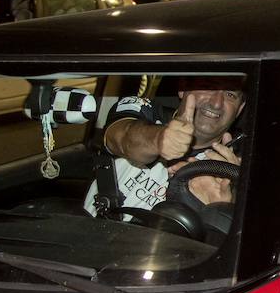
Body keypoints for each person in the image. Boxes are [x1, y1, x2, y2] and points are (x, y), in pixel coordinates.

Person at [83, 82, 245, 217]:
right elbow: (120, 136)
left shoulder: (235, 168)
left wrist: (221, 208)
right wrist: (158, 139)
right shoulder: (146, 111)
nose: (216, 103)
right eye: (207, 87)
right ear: (183, 88)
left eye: (230, 94)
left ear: (239, 109)